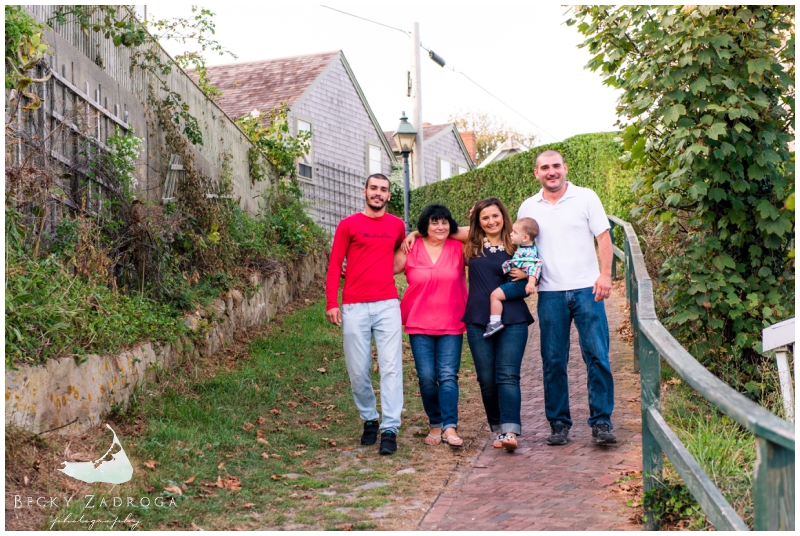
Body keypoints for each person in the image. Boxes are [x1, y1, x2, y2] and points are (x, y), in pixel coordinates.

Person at [516, 149, 616, 446]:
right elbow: (523, 247)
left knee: (597, 356)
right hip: (550, 293)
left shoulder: (586, 197)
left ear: (565, 168)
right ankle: (558, 423)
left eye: (556, 166)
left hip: (588, 290)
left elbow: (603, 237)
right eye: (545, 167)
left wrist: (606, 275)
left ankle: (601, 422)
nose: (551, 172)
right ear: (536, 173)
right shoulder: (528, 207)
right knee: (554, 360)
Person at [325, 173, 406, 455]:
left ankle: (390, 428)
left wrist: (417, 234)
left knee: (391, 367)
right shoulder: (348, 225)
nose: (378, 193)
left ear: (388, 196)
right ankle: (370, 418)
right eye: (374, 188)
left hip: (387, 303)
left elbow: (402, 252)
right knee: (358, 370)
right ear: (365, 192)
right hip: (354, 305)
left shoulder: (397, 225)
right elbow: (335, 264)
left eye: (384, 190)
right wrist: (331, 303)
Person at [393, 204, 468, 448]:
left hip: (451, 321)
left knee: (447, 375)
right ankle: (435, 423)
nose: (440, 226)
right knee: (426, 377)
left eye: (445, 222)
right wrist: (351, 271)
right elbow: (386, 270)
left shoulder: (459, 248)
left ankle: (449, 426)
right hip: (418, 322)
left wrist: (417, 231)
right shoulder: (411, 248)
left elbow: (478, 232)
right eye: (434, 222)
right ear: (425, 224)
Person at [462, 198, 533, 452]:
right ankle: (498, 426)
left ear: (503, 216)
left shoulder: (518, 243)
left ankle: (510, 430)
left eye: (495, 216)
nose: (491, 221)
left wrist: (527, 274)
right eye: (485, 218)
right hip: (477, 318)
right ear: (477, 221)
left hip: (513, 318)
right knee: (486, 378)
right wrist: (415, 232)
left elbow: (533, 278)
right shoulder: (470, 244)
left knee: (507, 374)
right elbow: (440, 231)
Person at [484, 217, 543, 338]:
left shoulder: (529, 252)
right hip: (516, 282)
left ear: (525, 237)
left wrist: (530, 282)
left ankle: (495, 322)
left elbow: (534, 267)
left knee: (495, 296)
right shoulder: (522, 248)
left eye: (515, 232)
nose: (511, 234)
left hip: (519, 284)